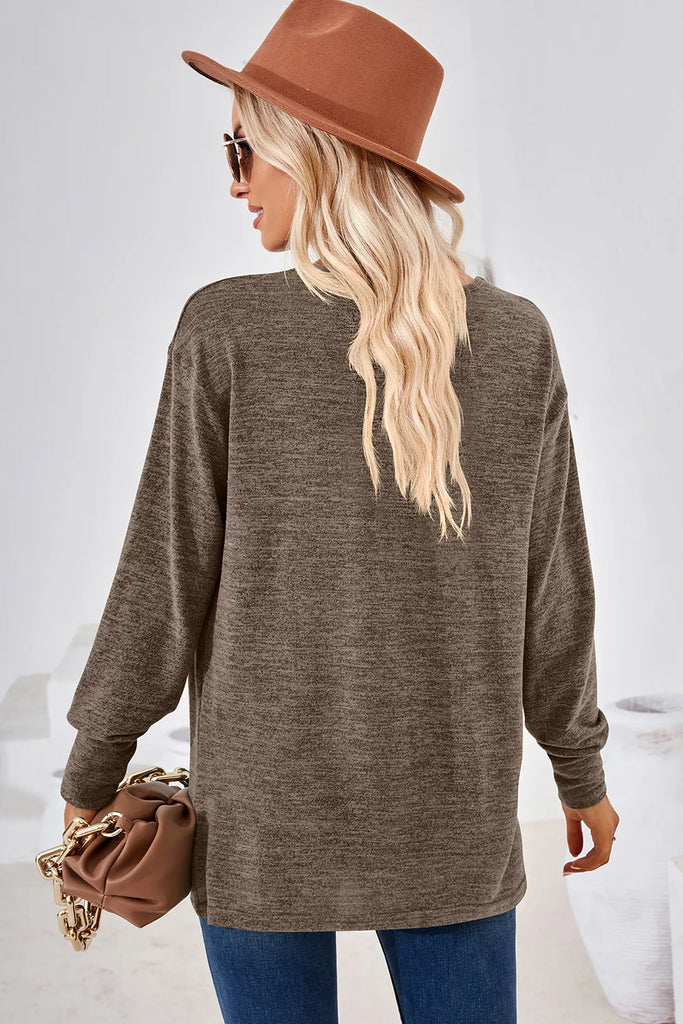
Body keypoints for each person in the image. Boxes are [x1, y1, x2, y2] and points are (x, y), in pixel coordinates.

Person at [60, 1, 619, 1021]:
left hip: (263, 815)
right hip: (452, 807)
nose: (233, 183)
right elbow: (556, 593)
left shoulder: (226, 331)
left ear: (312, 155)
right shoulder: (514, 338)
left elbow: (162, 575)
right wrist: (577, 770)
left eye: (241, 150)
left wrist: (93, 766)